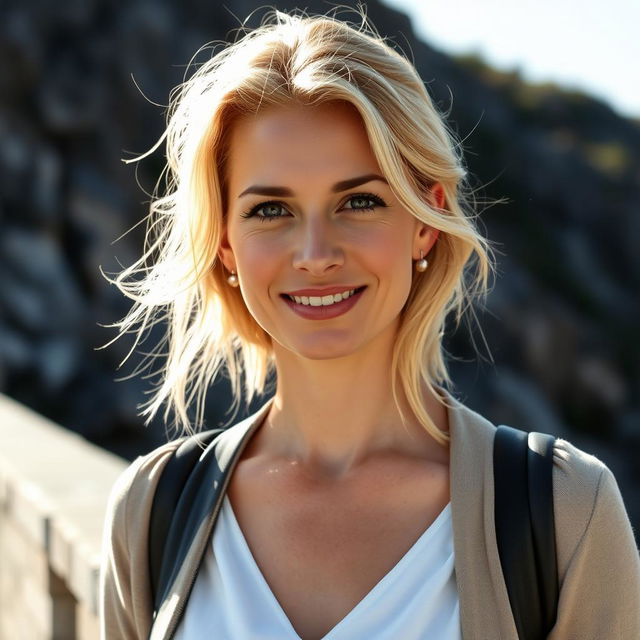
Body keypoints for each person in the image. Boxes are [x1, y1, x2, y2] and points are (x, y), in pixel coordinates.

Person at [98, 9, 640, 640]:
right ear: (224, 243)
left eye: (360, 201)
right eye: (270, 209)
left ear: (425, 222)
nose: (316, 253)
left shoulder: (562, 512)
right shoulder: (152, 512)